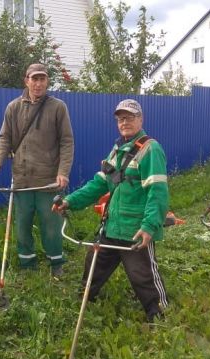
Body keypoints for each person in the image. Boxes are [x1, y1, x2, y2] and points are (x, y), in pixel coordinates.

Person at [52, 99, 169, 322]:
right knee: (93, 265)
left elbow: (158, 193)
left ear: (140, 119)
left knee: (143, 276)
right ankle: (85, 299)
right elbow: (99, 183)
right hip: (111, 225)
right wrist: (69, 201)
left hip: (134, 231)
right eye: (121, 118)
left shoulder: (150, 149)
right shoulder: (118, 149)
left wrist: (149, 227)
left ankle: (161, 314)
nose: (125, 122)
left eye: (130, 117)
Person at [0, 63, 74, 277]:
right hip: (22, 180)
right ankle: (28, 266)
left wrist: (63, 172)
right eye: (34, 79)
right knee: (22, 225)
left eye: (42, 79)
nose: (38, 83)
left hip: (48, 182)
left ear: (47, 81)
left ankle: (56, 265)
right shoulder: (13, 108)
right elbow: (4, 138)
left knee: (51, 225)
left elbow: (66, 141)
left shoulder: (57, 107)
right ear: (26, 80)